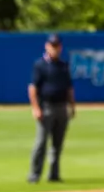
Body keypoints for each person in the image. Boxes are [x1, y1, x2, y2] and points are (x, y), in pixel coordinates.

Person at [28, 34, 76, 184]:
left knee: (57, 143)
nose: (54, 48)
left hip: (61, 107)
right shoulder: (40, 65)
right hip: (46, 107)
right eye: (52, 45)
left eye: (57, 46)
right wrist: (36, 108)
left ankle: (54, 175)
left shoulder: (63, 66)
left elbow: (69, 88)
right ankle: (35, 174)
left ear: (60, 47)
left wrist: (72, 106)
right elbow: (33, 88)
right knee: (41, 142)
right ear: (47, 46)